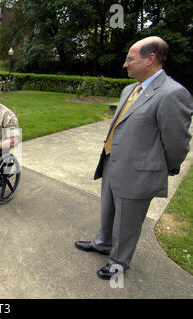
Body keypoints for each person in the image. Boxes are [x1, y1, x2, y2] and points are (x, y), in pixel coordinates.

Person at [75, 36, 193, 280]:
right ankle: (102, 243)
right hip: (112, 163)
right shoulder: (129, 89)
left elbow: (177, 142)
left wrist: (165, 168)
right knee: (108, 211)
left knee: (127, 222)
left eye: (130, 59)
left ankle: (119, 262)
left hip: (139, 172)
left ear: (151, 59)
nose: (125, 65)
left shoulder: (173, 93)